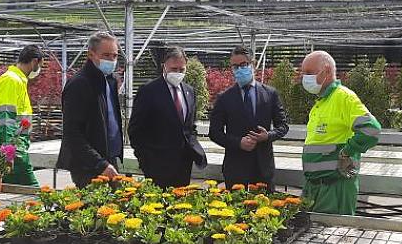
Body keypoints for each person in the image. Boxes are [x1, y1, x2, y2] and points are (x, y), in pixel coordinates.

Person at [300, 51, 381, 215]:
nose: (304, 78)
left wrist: (347, 152)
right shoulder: (321, 102)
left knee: (335, 236)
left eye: (309, 73)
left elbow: (371, 129)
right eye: (303, 73)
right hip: (315, 187)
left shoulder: (343, 98)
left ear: (327, 70)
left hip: (335, 188)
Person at [209, 46, 289, 190]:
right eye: (235, 66)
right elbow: (214, 133)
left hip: (263, 169)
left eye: (243, 64)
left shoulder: (270, 94)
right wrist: (238, 142)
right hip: (235, 170)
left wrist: (268, 136)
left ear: (253, 64)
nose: (239, 69)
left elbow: (283, 126)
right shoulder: (224, 98)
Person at [128, 46, 207, 188]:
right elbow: (135, 129)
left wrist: (193, 148)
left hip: (184, 164)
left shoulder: (189, 91)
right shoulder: (148, 91)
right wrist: (144, 159)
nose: (177, 73)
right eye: (173, 69)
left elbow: (189, 127)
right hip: (156, 165)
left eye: (181, 70)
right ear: (164, 66)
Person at [56, 32, 123, 188]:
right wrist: (100, 164)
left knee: (118, 206)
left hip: (109, 159)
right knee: (96, 208)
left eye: (115, 56)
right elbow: (73, 133)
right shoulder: (79, 84)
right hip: (88, 163)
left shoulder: (110, 81)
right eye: (106, 55)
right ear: (91, 55)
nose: (111, 60)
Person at [0, 44, 44, 186]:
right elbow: (4, 119)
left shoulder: (18, 81)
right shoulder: (11, 80)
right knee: (34, 192)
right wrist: (8, 153)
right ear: (34, 62)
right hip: (14, 150)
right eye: (41, 65)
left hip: (15, 148)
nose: (39, 70)